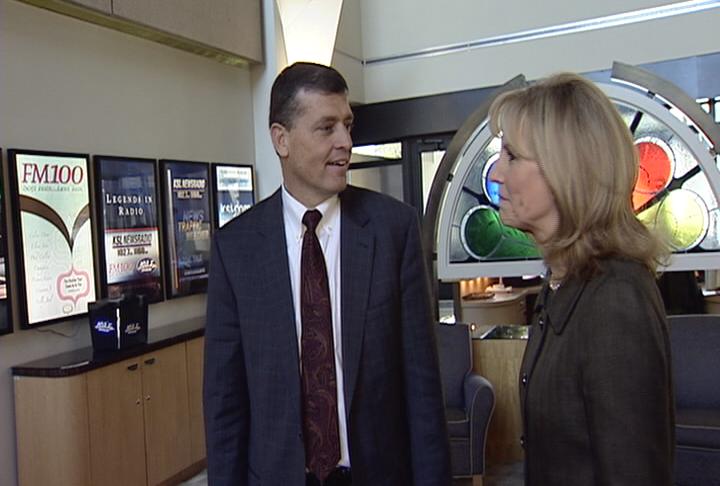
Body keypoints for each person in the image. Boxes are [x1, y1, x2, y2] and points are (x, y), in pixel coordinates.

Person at [203, 62, 451, 486]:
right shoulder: (236, 249)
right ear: (281, 139)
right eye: (326, 128)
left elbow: (423, 389)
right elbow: (226, 403)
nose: (345, 143)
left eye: (348, 125)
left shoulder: (394, 230)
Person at [488, 73, 675, 485]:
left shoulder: (615, 301)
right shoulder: (559, 285)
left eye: (512, 156)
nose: (497, 174)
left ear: (565, 172)